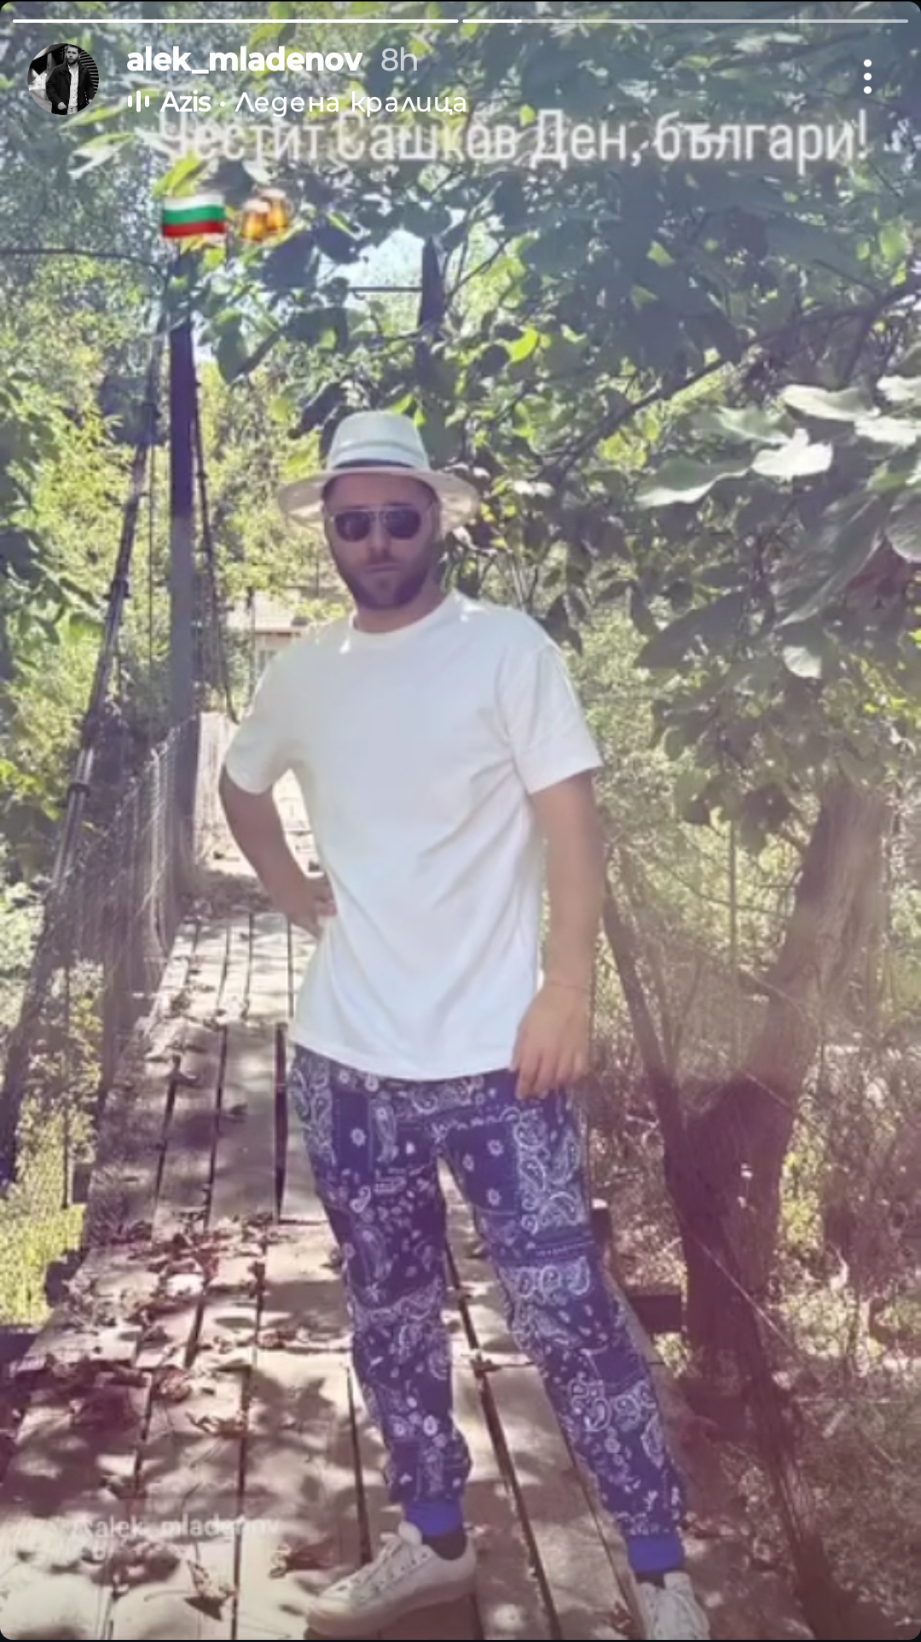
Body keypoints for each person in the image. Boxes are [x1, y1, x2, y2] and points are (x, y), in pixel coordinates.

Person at [219, 411, 710, 1642]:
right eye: (355, 522)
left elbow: (573, 822)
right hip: (347, 1062)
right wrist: (291, 892)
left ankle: (661, 1570)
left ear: (437, 519)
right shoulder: (302, 673)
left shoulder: (507, 651)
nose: (377, 540)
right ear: (330, 533)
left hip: (503, 1059)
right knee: (387, 1313)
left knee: (568, 1314)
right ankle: (432, 1539)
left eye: (399, 516)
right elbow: (241, 782)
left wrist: (567, 987)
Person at [46, 43, 93, 115]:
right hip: (61, 109)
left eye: (74, 53)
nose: (70, 55)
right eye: (69, 52)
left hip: (79, 108)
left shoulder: (84, 70)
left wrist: (90, 98)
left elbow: (89, 86)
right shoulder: (57, 70)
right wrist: (57, 101)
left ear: (79, 56)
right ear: (66, 54)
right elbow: (49, 87)